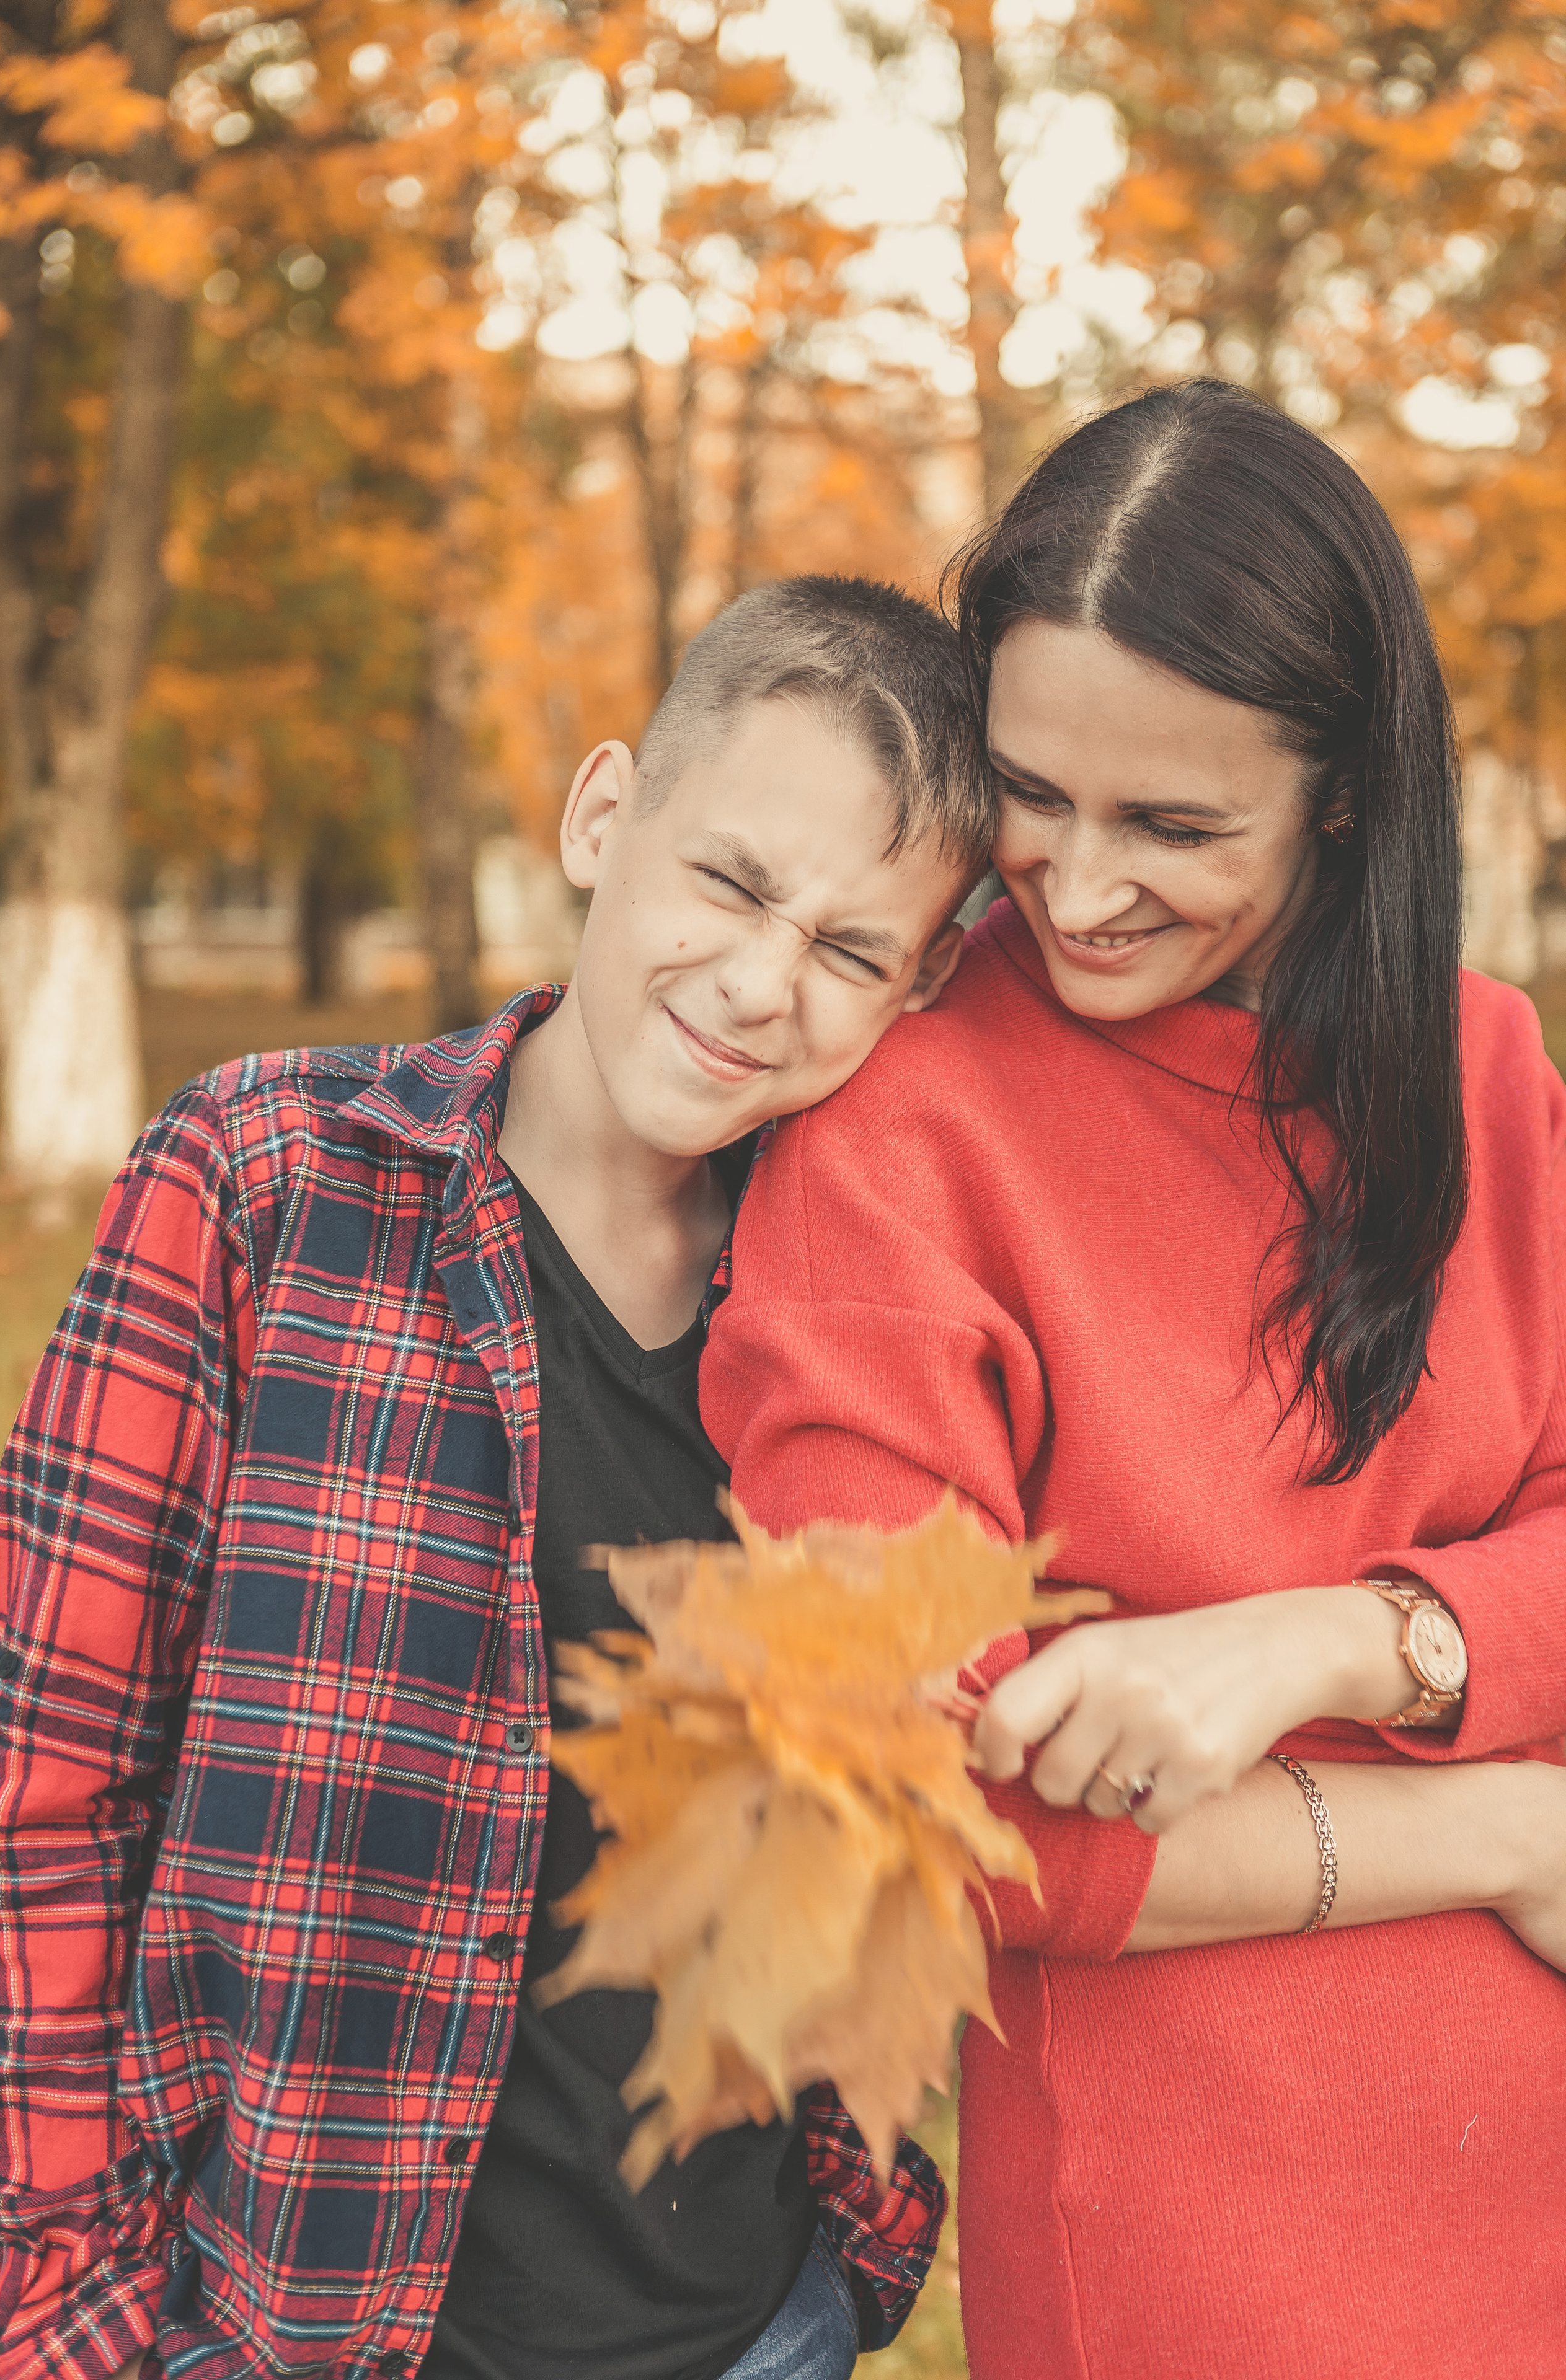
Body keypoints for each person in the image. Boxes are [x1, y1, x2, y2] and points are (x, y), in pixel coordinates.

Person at [0, 576, 996, 2380]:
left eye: (852, 953)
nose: (761, 983)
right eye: (731, 882)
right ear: (604, 817)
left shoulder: (878, 1332)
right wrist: (64, 2306)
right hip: (294, 2321)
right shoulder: (263, 1184)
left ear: (917, 991)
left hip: (754, 2328)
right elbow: (33, 1787)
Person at [700, 384, 1566, 2380]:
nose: (1074, 888)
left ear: (1342, 795)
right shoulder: (903, 1129)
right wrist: (1512, 1829)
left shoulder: (1484, 1071)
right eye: (1031, 794)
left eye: (1173, 827)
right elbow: (910, 1800)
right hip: (1208, 2253)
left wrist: (1335, 1643)